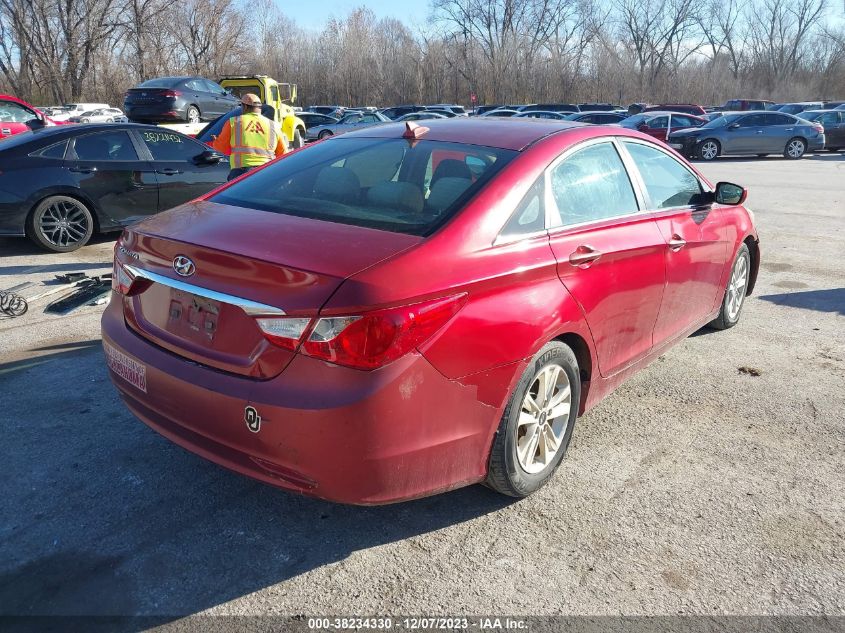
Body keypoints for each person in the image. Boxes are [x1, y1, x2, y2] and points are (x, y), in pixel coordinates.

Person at [212, 93, 288, 180]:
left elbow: (221, 148)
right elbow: (283, 154)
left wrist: (216, 142)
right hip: (267, 172)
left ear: (244, 107)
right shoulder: (274, 125)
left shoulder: (233, 122)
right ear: (260, 108)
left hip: (241, 172)